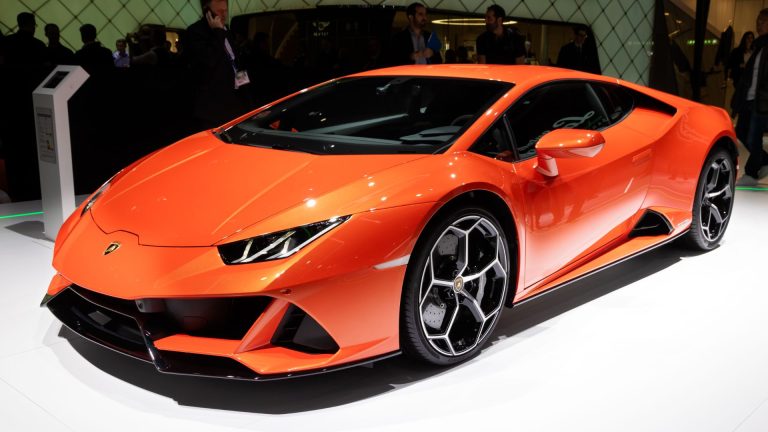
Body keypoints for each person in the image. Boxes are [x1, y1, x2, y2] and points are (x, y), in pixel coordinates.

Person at [184, 0, 251, 130]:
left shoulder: (227, 31)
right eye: (219, 12)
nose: (224, 15)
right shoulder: (195, 32)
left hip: (234, 102)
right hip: (212, 108)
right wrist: (218, 33)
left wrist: (248, 100)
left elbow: (236, 64)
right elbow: (208, 62)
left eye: (225, 11)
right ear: (207, 11)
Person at [732, 9, 768, 186]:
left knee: (754, 135)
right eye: (758, 20)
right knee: (741, 131)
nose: (758, 23)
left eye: (763, 20)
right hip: (749, 98)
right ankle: (764, 160)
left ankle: (752, 172)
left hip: (761, 100)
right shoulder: (758, 47)